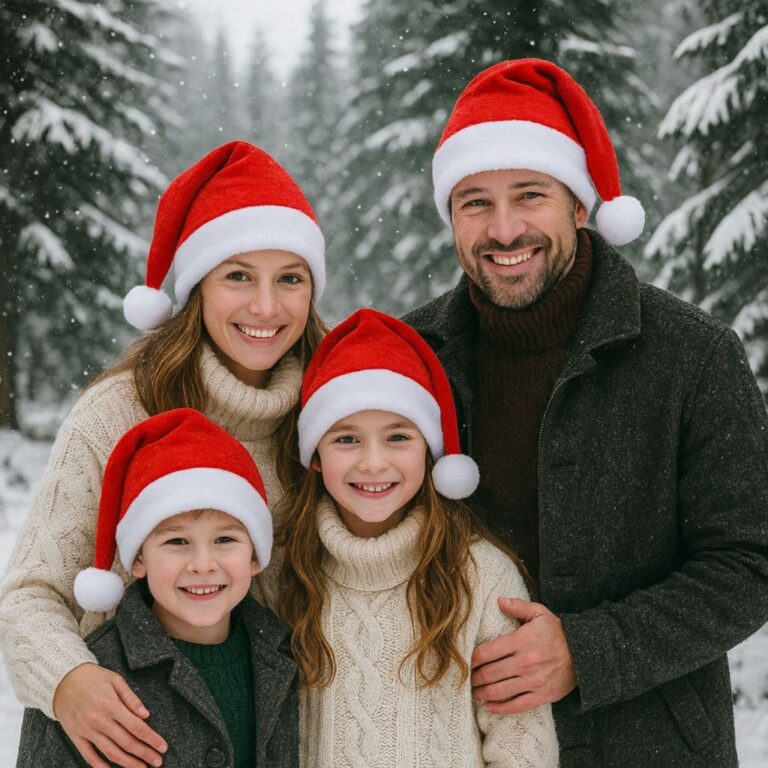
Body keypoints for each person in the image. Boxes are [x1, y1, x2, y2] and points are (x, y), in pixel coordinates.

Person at [402, 58, 768, 766]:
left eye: (530, 195)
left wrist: (589, 649)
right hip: (454, 744)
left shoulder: (693, 354)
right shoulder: (409, 356)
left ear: (578, 204)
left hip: (649, 747)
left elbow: (750, 561)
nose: (504, 229)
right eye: (475, 202)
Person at [0, 141, 326, 768]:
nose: (266, 306)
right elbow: (30, 595)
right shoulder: (120, 411)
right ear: (196, 286)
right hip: (137, 736)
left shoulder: (333, 416)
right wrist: (69, 680)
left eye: (290, 277)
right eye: (238, 276)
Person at [277, 307, 559, 767]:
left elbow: (521, 745)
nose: (373, 463)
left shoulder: (480, 574)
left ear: (430, 449)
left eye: (397, 438)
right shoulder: (288, 572)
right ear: (314, 456)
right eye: (346, 439)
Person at [15, 408, 298, 768]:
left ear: (255, 556)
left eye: (225, 540)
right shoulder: (88, 684)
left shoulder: (284, 658)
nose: (203, 564)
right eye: (177, 542)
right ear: (138, 559)